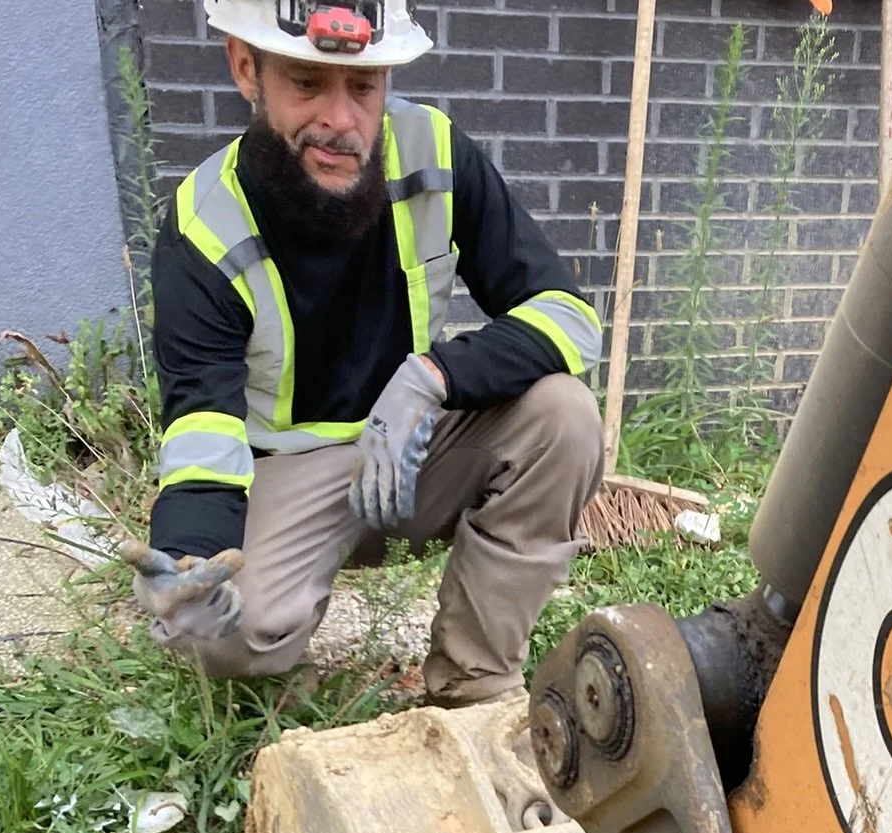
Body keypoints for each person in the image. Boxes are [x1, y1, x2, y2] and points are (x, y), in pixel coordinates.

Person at [125, 0, 604, 703]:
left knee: (564, 416)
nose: (341, 121)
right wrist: (191, 555)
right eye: (307, 83)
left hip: (412, 453)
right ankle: (270, 664)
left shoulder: (436, 153)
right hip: (287, 478)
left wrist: (436, 375)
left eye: (363, 86)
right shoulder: (204, 224)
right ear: (244, 68)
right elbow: (202, 422)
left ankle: (472, 682)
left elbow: (568, 316)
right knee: (218, 632)